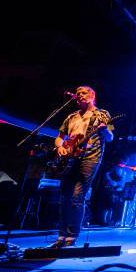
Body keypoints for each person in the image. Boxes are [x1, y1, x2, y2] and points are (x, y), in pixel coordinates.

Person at [50, 86, 114, 248]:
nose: (79, 96)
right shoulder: (71, 117)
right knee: (64, 198)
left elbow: (110, 137)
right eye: (77, 94)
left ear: (92, 95)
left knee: (77, 197)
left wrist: (105, 129)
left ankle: (72, 236)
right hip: (69, 159)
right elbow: (59, 137)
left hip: (90, 158)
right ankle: (61, 235)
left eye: (83, 93)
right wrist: (60, 147)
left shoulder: (103, 114)